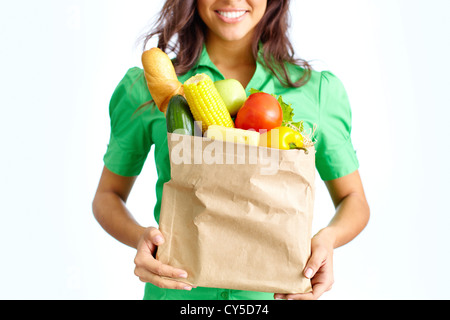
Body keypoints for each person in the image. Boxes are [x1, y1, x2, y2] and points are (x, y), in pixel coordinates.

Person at [92, 0, 370, 300]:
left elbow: (353, 199)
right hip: (179, 295)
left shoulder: (316, 92)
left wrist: (327, 240)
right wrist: (140, 239)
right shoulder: (146, 88)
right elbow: (107, 196)